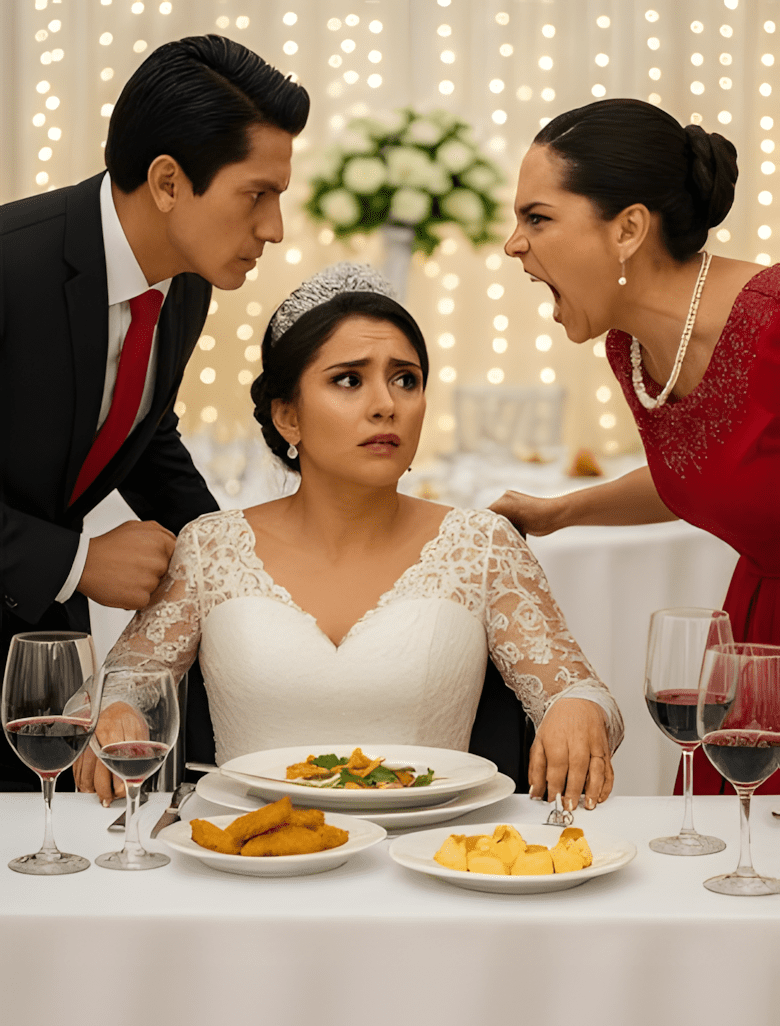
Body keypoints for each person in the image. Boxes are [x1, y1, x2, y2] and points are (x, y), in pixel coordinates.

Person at [74, 262, 623, 809]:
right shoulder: (209, 548)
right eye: (349, 380)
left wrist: (576, 710)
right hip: (248, 849)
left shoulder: (482, 545)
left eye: (405, 379)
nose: (386, 404)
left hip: (431, 850)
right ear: (287, 417)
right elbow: (116, 688)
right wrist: (115, 712)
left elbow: (582, 692)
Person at [0, 35, 309, 790]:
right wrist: (77, 561)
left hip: (38, 651)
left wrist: (231, 558)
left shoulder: (186, 279)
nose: (274, 227)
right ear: (168, 181)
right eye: (257, 195)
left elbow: (142, 426)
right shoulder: (10, 265)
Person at [492, 97, 780, 794]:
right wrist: (560, 512)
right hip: (755, 638)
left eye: (537, 218)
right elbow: (708, 471)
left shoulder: (773, 324)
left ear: (627, 229)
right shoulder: (632, 351)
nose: (513, 245)